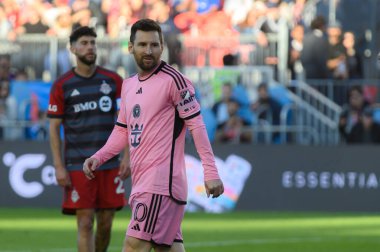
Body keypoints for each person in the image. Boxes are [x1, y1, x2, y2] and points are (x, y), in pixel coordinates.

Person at [83, 19, 224, 252]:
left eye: (154, 45)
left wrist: (210, 171)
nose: (149, 51)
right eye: (142, 44)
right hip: (143, 183)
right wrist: (98, 157)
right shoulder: (128, 86)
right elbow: (122, 131)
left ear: (162, 47)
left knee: (133, 246)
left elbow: (196, 125)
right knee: (168, 248)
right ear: (130, 47)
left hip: (161, 186)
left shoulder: (175, 81)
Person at [47, 26, 129, 252]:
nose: (90, 47)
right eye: (84, 43)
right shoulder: (62, 85)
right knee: (84, 222)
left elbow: (127, 121)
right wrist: (58, 166)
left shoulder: (113, 80)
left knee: (106, 223)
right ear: (73, 48)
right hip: (77, 164)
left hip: (110, 163)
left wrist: (127, 156)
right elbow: (54, 128)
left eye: (93, 42)